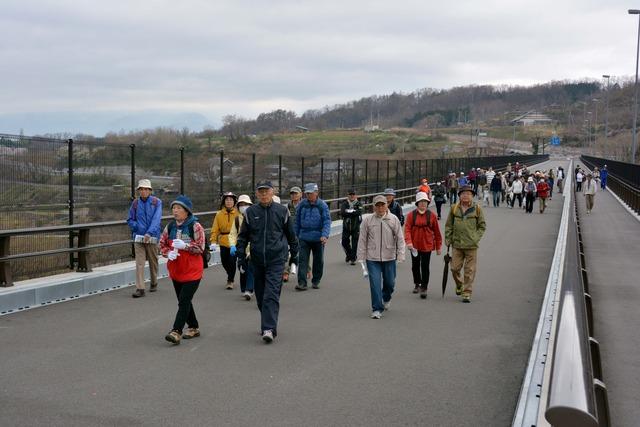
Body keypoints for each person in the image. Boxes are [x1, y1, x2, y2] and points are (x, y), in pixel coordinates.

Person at [236, 181, 298, 343]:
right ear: (256, 194)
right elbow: (243, 236)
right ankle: (267, 322)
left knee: (271, 295)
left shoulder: (282, 211)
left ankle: (268, 328)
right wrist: (241, 256)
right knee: (261, 296)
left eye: (266, 191)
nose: (264, 194)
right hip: (256, 260)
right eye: (260, 192)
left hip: (276, 259)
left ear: (273, 192)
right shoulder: (250, 212)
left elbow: (291, 235)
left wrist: (295, 254)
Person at [159, 195, 205, 345]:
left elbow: (200, 248)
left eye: (179, 208)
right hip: (176, 270)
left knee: (184, 300)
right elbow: (162, 244)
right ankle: (194, 327)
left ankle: (176, 331)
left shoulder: (195, 226)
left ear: (187, 211)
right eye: (174, 208)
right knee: (183, 300)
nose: (175, 211)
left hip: (192, 271)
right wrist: (168, 253)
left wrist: (186, 247)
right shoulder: (170, 226)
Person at [357, 195, 406, 318]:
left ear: (386, 205)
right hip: (372, 257)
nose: (380, 208)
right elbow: (362, 240)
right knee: (375, 284)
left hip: (389, 257)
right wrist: (361, 257)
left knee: (390, 283)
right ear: (374, 207)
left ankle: (386, 298)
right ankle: (377, 309)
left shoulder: (393, 219)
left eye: (382, 205)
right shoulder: (367, 220)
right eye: (377, 205)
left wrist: (401, 254)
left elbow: (400, 238)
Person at [444, 186, 486, 303]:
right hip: (457, 244)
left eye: (468, 194)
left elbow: (482, 226)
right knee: (454, 268)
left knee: (469, 270)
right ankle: (460, 284)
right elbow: (449, 225)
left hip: (471, 245)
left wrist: (475, 238)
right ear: (459, 196)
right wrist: (448, 238)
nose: (465, 196)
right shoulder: (454, 208)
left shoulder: (477, 208)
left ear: (472, 196)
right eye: (463, 194)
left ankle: (467, 292)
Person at [127, 179, 163, 298]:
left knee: (153, 261)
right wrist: (136, 227)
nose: (143, 191)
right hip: (138, 237)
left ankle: (154, 282)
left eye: (146, 189)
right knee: (139, 263)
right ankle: (140, 288)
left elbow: (156, 220)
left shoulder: (156, 202)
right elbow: (130, 219)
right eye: (141, 189)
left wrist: (149, 233)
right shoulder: (135, 203)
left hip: (152, 237)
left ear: (150, 190)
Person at [404, 192, 442, 299]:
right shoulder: (412, 215)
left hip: (427, 245)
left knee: (425, 267)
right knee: (415, 266)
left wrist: (438, 247)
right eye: (421, 202)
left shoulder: (432, 216)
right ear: (417, 203)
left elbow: (437, 232)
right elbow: (407, 229)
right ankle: (417, 284)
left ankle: (424, 287)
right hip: (414, 246)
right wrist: (409, 242)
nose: (423, 204)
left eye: (425, 202)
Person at [295, 183, 331, 290]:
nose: (309, 195)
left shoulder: (322, 205)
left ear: (316, 192)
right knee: (302, 260)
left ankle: (316, 280)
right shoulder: (302, 204)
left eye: (311, 193)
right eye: (307, 193)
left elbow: (326, 221)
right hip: (304, 237)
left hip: (318, 238)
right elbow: (297, 221)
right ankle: (302, 283)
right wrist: (295, 235)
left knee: (318, 260)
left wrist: (324, 235)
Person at [229, 194, 254, 300]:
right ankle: (244, 289)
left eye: (246, 204)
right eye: (241, 205)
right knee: (242, 267)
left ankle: (249, 289)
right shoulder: (237, 219)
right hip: (241, 246)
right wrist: (232, 245)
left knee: (251, 267)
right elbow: (233, 234)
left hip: (252, 246)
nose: (243, 206)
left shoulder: (254, 217)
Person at [211, 192, 239, 290]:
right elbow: (215, 229)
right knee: (224, 261)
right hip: (223, 241)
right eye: (227, 200)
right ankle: (230, 273)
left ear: (234, 201)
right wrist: (213, 241)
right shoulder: (219, 214)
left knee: (232, 261)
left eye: (231, 200)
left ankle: (230, 280)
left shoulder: (238, 213)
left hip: (235, 242)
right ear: (224, 201)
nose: (229, 202)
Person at [283, 186, 302, 282]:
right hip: (289, 234)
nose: (294, 195)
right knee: (286, 253)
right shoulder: (287, 207)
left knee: (301, 253)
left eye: (296, 193)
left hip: (300, 233)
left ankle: (307, 269)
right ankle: (286, 272)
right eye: (292, 194)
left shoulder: (303, 205)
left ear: (300, 194)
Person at [340, 189, 363, 265]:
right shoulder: (345, 203)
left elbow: (359, 212)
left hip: (355, 226)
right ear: (348, 195)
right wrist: (353, 211)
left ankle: (353, 258)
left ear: (355, 195)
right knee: (344, 242)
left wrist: (349, 211)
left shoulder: (359, 203)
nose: (352, 196)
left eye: (353, 194)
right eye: (350, 194)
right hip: (346, 226)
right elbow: (343, 212)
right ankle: (349, 254)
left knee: (355, 243)